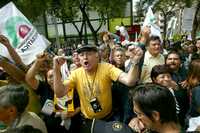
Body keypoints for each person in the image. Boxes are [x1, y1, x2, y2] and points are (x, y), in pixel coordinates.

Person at [53, 44, 143, 132]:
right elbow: (60, 93)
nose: (85, 57)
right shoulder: (75, 74)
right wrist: (56, 69)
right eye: (81, 55)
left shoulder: (107, 68)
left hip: (109, 118)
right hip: (88, 121)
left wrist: (135, 61)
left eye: (88, 54)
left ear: (97, 55)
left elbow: (130, 81)